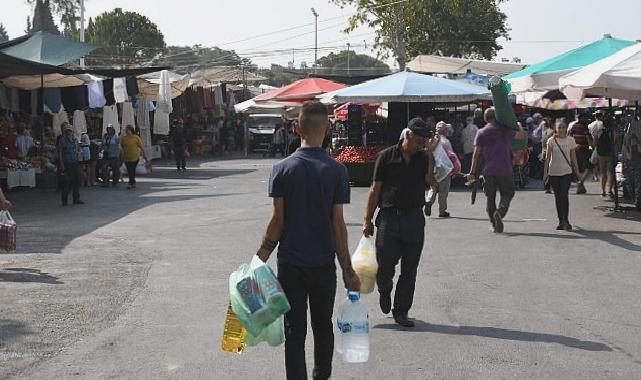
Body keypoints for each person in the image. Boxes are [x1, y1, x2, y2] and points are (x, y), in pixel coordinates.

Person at [256, 101, 359, 380]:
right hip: (323, 266)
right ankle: (321, 376)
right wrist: (348, 270)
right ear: (327, 131)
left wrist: (257, 261)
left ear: (296, 127)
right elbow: (338, 225)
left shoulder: (282, 169)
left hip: (290, 265)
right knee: (323, 327)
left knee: (295, 331)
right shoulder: (337, 171)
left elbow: (277, 223)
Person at [363, 117, 434, 328]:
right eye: (420, 139)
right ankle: (384, 290)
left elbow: (432, 183)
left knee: (410, 268)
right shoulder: (386, 157)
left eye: (425, 140)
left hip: (414, 217)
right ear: (408, 135)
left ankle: (401, 311)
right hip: (389, 218)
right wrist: (367, 220)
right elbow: (375, 189)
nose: (422, 143)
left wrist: (430, 156)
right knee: (384, 266)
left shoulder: (423, 158)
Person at [467, 108, 526, 233]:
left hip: (488, 171)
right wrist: (519, 125)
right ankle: (500, 212)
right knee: (508, 193)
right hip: (505, 168)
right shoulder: (504, 130)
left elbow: (476, 155)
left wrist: (472, 172)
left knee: (490, 198)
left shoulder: (481, 132)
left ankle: (494, 225)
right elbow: (520, 136)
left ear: (485, 118)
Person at [544, 119, 581, 231]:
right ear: (555, 128)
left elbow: (573, 158)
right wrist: (545, 173)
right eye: (559, 127)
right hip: (554, 172)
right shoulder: (551, 141)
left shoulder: (570, 140)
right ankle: (561, 221)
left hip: (566, 172)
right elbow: (547, 158)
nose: (561, 130)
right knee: (558, 196)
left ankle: (566, 220)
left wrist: (578, 172)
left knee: (564, 194)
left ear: (566, 129)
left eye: (563, 127)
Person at [426, 122, 453, 218]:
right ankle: (442, 211)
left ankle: (429, 201)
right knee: (443, 190)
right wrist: (454, 168)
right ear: (445, 130)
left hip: (433, 167)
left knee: (433, 187)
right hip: (444, 167)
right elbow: (451, 156)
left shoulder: (430, 141)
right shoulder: (445, 142)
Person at [589, 111, 614, 197]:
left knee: (603, 173)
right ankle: (610, 190)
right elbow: (616, 141)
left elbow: (595, 142)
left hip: (601, 152)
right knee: (611, 172)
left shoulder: (596, 128)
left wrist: (592, 145)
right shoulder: (611, 129)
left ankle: (603, 191)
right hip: (610, 152)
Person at [57, 124, 83, 206]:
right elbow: (60, 153)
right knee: (66, 182)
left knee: (76, 182)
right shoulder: (62, 141)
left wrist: (79, 158)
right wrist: (61, 164)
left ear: (72, 132)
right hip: (66, 163)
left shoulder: (75, 140)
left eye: (70, 131)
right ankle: (64, 201)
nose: (69, 132)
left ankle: (76, 199)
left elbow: (78, 150)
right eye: (67, 131)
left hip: (75, 163)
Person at [567, 112, 592, 194]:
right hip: (583, 149)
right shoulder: (584, 127)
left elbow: (570, 137)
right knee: (589, 166)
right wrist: (592, 146)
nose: (586, 120)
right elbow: (588, 138)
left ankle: (581, 187)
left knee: (578, 168)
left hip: (575, 149)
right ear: (581, 118)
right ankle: (580, 182)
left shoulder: (573, 126)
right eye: (585, 118)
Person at [120, 125, 147, 190]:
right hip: (126, 157)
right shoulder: (123, 138)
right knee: (129, 170)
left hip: (135, 157)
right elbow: (122, 147)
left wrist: (144, 154)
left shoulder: (136, 138)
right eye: (126, 130)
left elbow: (141, 147)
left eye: (127, 130)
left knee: (132, 170)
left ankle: (130, 183)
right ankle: (133, 182)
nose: (126, 131)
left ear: (131, 130)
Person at [623, 116, 641, 210]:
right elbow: (625, 148)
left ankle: (637, 202)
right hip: (631, 161)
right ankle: (636, 201)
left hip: (635, 161)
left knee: (636, 182)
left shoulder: (630, 136)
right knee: (632, 182)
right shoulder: (628, 137)